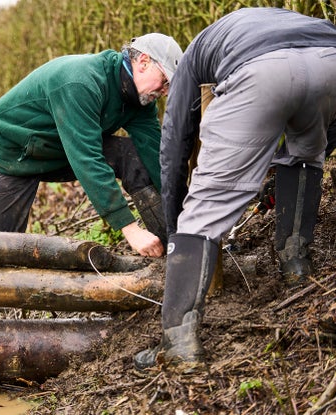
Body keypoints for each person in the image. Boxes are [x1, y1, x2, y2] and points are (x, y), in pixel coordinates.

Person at [134, 7, 336, 370]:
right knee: (305, 157)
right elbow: (329, 132)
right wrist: (287, 163)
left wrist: (177, 221)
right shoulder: (289, 19)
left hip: (261, 72)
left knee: (208, 205)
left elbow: (175, 145)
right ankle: (296, 270)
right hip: (330, 59)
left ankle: (178, 344)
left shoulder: (195, 53)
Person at [0, 33, 183, 319]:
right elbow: (87, 159)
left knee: (133, 156)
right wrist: (130, 229)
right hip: (6, 153)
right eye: (165, 80)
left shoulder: (140, 101)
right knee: (2, 250)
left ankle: (172, 245)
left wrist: (184, 211)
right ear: (143, 62)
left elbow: (156, 157)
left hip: (56, 147)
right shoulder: (80, 81)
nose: (165, 90)